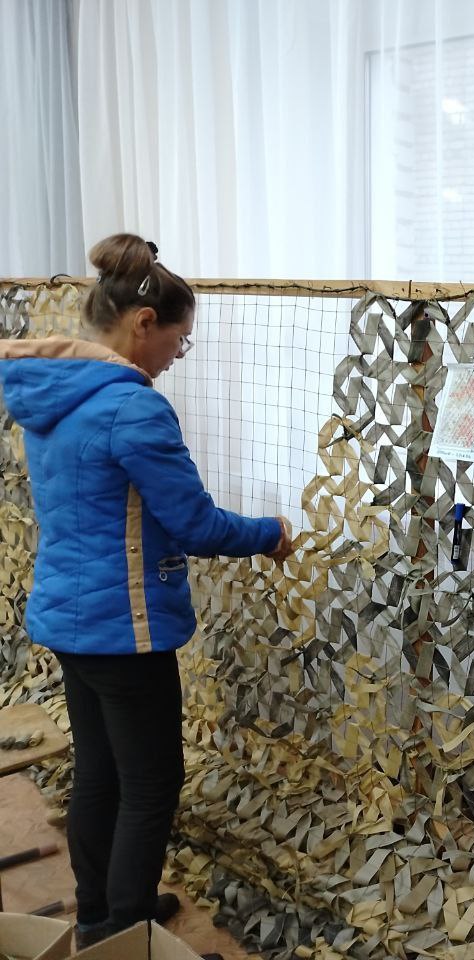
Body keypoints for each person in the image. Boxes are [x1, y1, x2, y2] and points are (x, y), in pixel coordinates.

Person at [0, 234, 292, 948]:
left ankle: (100, 912)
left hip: (69, 616)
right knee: (152, 781)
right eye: (178, 340)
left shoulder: (55, 393)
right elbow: (195, 523)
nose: (175, 355)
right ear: (143, 323)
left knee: (100, 771)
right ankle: (124, 933)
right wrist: (271, 533)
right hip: (123, 628)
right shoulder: (132, 407)